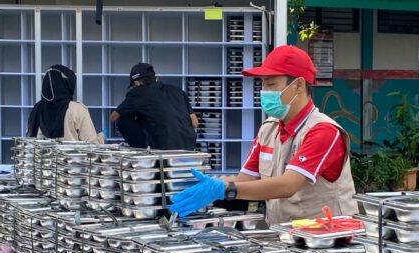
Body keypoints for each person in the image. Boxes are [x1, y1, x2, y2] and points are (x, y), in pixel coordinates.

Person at [169, 45, 358, 224]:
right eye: (263, 85)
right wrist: (208, 185)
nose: (264, 92)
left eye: (271, 84)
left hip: (327, 240)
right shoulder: (269, 129)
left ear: (299, 85)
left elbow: (287, 186)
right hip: (285, 236)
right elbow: (245, 179)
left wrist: (225, 189)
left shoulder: (323, 131)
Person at [109, 63, 197, 150]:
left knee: (123, 116)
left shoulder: (137, 92)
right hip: (188, 146)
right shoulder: (178, 91)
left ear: (136, 82)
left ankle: (142, 149)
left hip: (163, 146)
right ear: (156, 78)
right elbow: (195, 122)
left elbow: (114, 117)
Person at [27, 64, 104, 143]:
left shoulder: (37, 108)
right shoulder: (77, 109)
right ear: (68, 84)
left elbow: (31, 140)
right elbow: (91, 144)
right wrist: (101, 137)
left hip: (42, 155)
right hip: (72, 155)